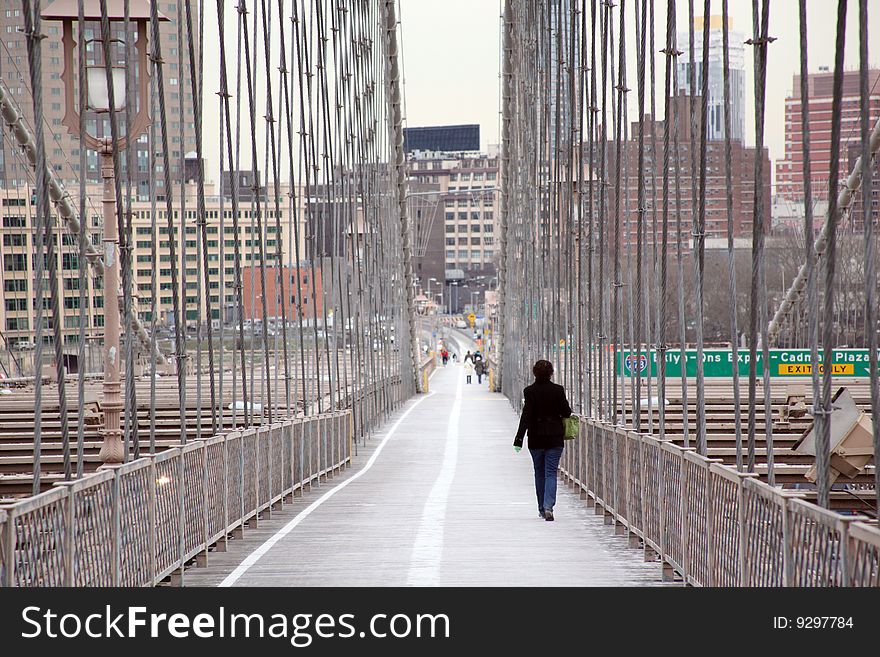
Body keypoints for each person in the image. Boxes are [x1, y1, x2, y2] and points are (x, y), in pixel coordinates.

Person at [513, 360, 572, 521]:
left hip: (536, 439)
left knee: (539, 473)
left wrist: (519, 438)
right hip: (554, 438)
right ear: (551, 373)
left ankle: (541, 508)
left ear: (534, 373)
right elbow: (566, 412)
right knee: (550, 473)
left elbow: (526, 415)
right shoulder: (558, 390)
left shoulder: (529, 391)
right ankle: (548, 507)